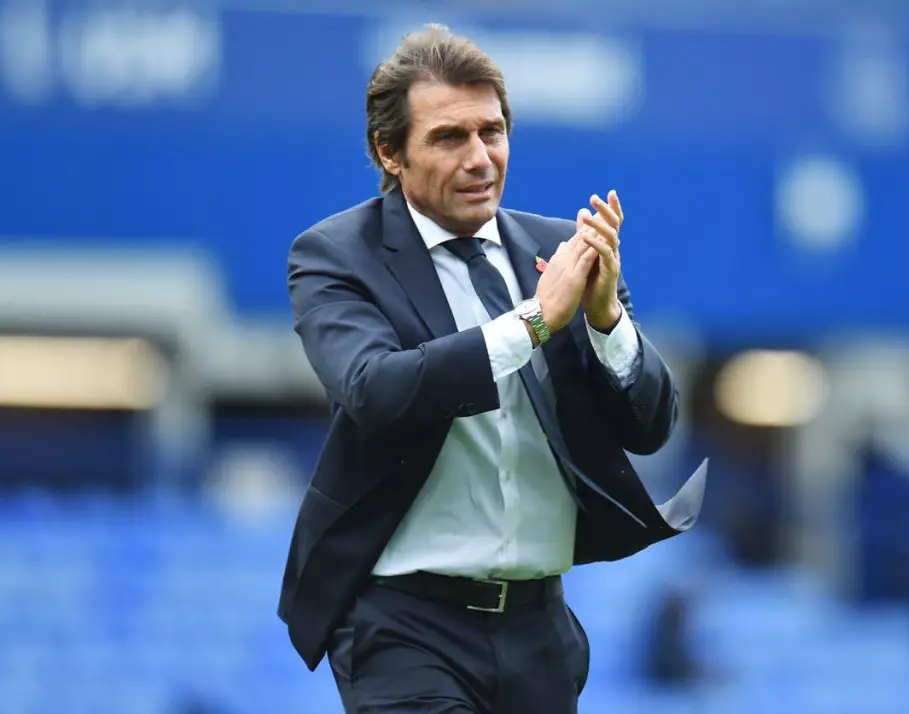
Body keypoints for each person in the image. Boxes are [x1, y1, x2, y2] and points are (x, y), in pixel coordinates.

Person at [278, 23, 707, 714]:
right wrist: (535, 322)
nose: (481, 157)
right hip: (402, 625)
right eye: (450, 138)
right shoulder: (335, 256)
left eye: (493, 131)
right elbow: (375, 390)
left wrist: (605, 322)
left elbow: (651, 425)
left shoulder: (561, 248)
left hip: (539, 630)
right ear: (390, 152)